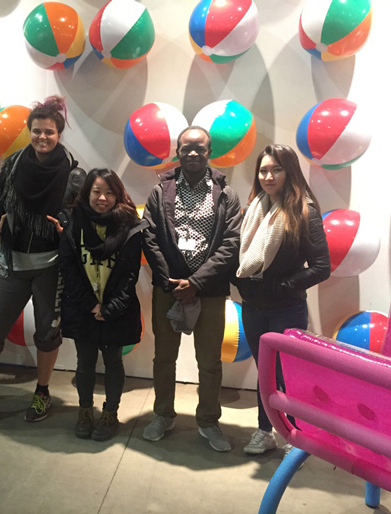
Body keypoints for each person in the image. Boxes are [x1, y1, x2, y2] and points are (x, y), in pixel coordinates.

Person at [0, 95, 85, 432]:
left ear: (59, 134)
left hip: (50, 267)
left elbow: (81, 218)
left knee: (47, 334)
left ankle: (42, 392)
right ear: (30, 131)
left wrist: (66, 225)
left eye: (50, 132)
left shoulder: (73, 173)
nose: (43, 137)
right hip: (12, 265)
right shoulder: (12, 166)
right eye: (37, 131)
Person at [142, 125, 241, 452]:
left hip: (210, 290)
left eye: (200, 148)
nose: (193, 153)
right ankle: (163, 415)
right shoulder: (160, 191)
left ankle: (209, 421)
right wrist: (173, 282)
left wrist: (197, 282)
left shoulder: (226, 193)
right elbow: (151, 238)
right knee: (163, 357)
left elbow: (231, 243)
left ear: (210, 152)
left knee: (210, 361)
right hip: (168, 288)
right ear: (178, 152)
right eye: (187, 148)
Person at [234, 144, 330, 455]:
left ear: (289, 172)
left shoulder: (305, 211)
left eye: (276, 169)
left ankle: (295, 436)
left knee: (287, 374)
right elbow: (240, 257)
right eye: (263, 170)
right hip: (254, 308)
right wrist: (243, 287)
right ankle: (265, 432)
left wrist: (286, 286)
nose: (269, 176)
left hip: (286, 308)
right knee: (266, 373)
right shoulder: (252, 212)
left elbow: (321, 267)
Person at [58, 168, 147, 441]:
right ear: (87, 193)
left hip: (116, 310)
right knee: (84, 362)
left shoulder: (130, 226)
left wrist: (110, 308)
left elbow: (130, 274)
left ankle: (110, 414)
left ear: (118, 195)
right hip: (82, 308)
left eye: (109, 192)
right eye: (96, 191)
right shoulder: (73, 223)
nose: (102, 198)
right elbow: (68, 269)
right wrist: (90, 306)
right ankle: (85, 411)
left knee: (112, 361)